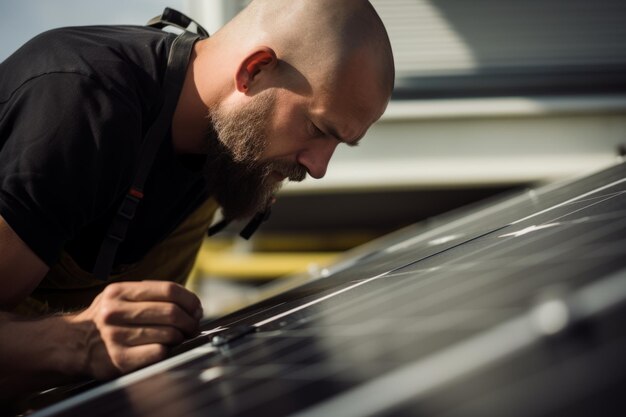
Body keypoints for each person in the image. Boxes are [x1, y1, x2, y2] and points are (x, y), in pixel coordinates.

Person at [0, 0, 394, 403]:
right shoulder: (83, 109)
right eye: (316, 128)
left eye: (339, 144)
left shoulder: (223, 147)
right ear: (253, 70)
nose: (319, 167)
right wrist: (78, 343)